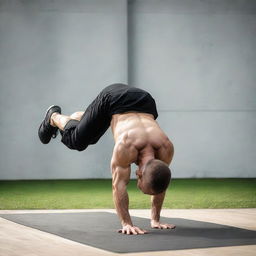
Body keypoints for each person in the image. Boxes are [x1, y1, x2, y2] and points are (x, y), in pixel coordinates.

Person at [38, 83, 175, 235]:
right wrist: (127, 223)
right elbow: (119, 186)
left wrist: (155, 220)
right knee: (77, 141)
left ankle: (81, 118)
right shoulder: (126, 147)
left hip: (145, 100)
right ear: (139, 174)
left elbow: (160, 183)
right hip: (113, 98)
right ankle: (53, 116)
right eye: (140, 185)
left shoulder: (166, 148)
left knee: (92, 136)